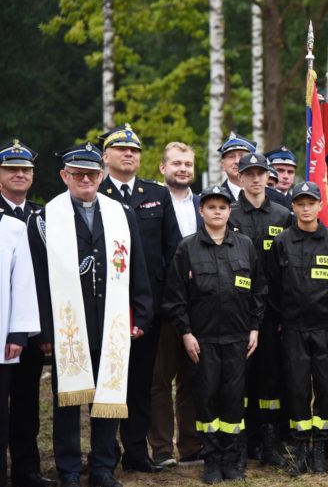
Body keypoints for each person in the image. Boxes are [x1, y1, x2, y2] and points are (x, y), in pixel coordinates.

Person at [33, 142, 153, 487]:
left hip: (111, 322)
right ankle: (69, 469)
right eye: (78, 173)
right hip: (68, 325)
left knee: (107, 399)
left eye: (91, 173)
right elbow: (40, 279)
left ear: (101, 176)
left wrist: (141, 314)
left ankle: (102, 467)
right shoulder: (46, 218)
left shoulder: (121, 213)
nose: (86, 179)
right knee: (68, 403)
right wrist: (45, 330)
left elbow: (136, 268)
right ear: (64, 176)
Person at [163, 185, 263, 483]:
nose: (217, 211)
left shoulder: (245, 245)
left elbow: (259, 290)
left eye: (222, 206)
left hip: (237, 338)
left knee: (233, 398)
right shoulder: (187, 248)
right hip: (202, 339)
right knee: (206, 399)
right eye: (211, 206)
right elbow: (175, 297)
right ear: (201, 210)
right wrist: (186, 333)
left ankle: (232, 460)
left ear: (229, 211)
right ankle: (211, 459)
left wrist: (255, 327)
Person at [97, 123, 182, 474]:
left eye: (134, 150)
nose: (129, 154)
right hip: (104, 309)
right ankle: (104, 453)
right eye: (121, 149)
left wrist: (163, 302)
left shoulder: (156, 194)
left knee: (141, 383)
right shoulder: (93, 191)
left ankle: (136, 452)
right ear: (106, 156)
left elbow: (173, 248)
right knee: (107, 383)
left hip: (148, 309)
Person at [265, 181, 328, 475]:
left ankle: (320, 450)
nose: (306, 208)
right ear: (294, 207)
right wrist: (280, 322)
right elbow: (272, 285)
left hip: (326, 328)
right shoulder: (282, 241)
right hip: (294, 329)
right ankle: (300, 450)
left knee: (326, 387)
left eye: (311, 202)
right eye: (300, 203)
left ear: (320, 206)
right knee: (297, 389)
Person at [228, 152, 292, 469]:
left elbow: (291, 267)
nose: (255, 179)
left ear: (269, 177)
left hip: (272, 313)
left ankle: (269, 444)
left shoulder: (283, 215)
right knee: (239, 380)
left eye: (260, 173)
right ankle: (240, 446)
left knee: (270, 380)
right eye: (249, 173)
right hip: (237, 314)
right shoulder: (229, 214)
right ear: (239, 177)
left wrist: (284, 314)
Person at [0, 139, 56, 487]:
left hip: (34, 330)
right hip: (2, 326)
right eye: (12, 169)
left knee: (27, 405)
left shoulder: (42, 216)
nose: (20, 175)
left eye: (26, 170)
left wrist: (46, 332)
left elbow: (52, 280)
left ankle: (27, 470)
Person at [149, 142, 203, 468]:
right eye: (176, 164)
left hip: (199, 303)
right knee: (160, 378)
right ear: (162, 168)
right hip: (163, 303)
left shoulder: (203, 204)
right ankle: (161, 449)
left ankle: (192, 446)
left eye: (187, 164)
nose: (182, 169)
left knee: (193, 377)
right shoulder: (151, 203)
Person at [217, 132, 256, 201]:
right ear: (223, 164)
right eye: (231, 157)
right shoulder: (214, 198)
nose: (237, 161)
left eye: (242, 156)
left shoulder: (272, 196)